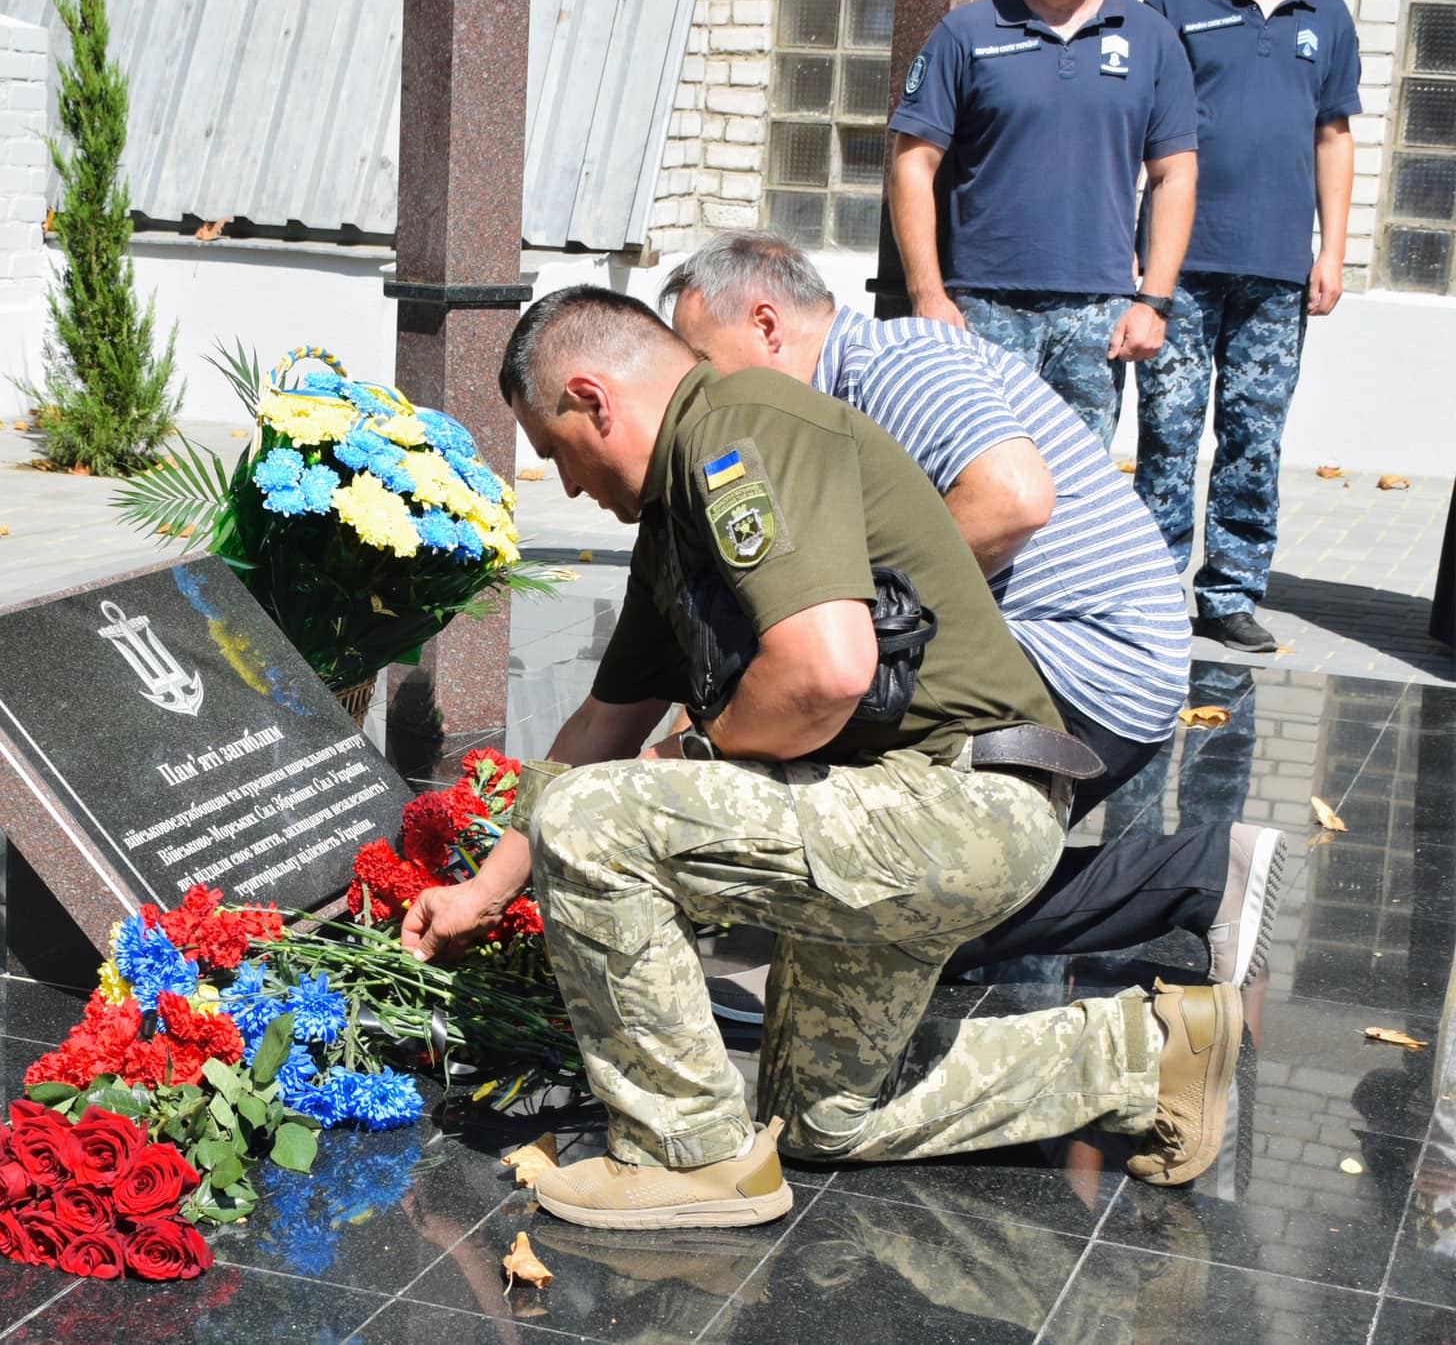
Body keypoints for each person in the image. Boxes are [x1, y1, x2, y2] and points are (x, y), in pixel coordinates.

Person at [400, 286, 1242, 1231]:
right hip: (902, 806)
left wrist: (688, 754)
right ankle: (1149, 1053)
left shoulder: (738, 429)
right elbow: (600, 729)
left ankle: (688, 1154)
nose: (565, 485)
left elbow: (824, 673)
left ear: (593, 399)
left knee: (593, 823)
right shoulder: (674, 517)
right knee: (823, 1119)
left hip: (959, 802)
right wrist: (484, 892)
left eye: (554, 451)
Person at [660, 231, 1286, 993]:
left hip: (1084, 661)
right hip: (1077, 660)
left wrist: (852, 618)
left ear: (766, 323)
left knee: (893, 893)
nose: (699, 391)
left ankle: (1192, 875)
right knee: (920, 906)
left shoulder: (894, 363)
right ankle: (1209, 874)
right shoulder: (841, 393)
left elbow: (1010, 499)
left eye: (702, 360)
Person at [1133, 0, 1361, 654]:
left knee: (1254, 441)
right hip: (1179, 265)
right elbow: (1133, 120)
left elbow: (1334, 135)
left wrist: (1334, 252)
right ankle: (1150, 592)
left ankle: (1230, 595)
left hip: (1277, 269)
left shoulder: (1326, 12)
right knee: (1168, 433)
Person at [887, 0, 1199, 448]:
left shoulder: (1152, 38)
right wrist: (926, 293)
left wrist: (1154, 301)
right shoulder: (965, 33)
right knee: (978, 471)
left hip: (1098, 315)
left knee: (1079, 480)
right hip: (983, 309)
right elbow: (913, 164)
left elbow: (1173, 175)